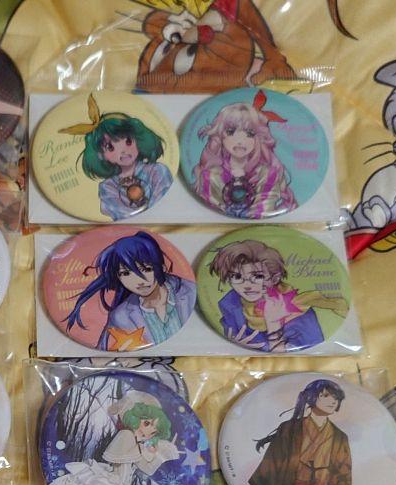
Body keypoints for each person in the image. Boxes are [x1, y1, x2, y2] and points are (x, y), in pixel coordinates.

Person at [47, 390, 183, 485]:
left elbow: (145, 468)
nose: (149, 431)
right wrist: (144, 450)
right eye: (146, 423)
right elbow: (117, 456)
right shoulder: (126, 435)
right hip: (112, 483)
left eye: (154, 431)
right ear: (133, 417)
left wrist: (157, 454)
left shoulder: (136, 442)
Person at [248, 377, 355, 485]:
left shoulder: (340, 437)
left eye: (336, 398)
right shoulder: (289, 429)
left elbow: (341, 471)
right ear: (311, 397)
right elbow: (271, 468)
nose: (333, 401)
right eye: (326, 396)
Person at [65, 231, 195, 350]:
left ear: (162, 268)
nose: (138, 280)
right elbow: (104, 351)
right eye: (126, 273)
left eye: (146, 269)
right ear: (119, 277)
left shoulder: (190, 292)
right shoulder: (121, 316)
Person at [208, 239, 339, 351]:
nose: (247, 285)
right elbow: (226, 337)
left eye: (258, 276)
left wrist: (273, 324)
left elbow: (300, 356)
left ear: (275, 278)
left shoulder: (299, 311)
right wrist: (233, 346)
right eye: (237, 277)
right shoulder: (231, 303)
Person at [191, 90, 296, 217]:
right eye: (231, 131)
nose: (240, 140)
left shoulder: (267, 174)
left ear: (258, 139)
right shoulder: (211, 175)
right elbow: (212, 212)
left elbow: (262, 211)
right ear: (221, 136)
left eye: (249, 134)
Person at [74, 99, 173, 220]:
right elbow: (122, 215)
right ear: (101, 155)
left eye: (128, 141)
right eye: (110, 147)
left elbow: (164, 206)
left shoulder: (157, 171)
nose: (123, 151)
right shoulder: (108, 187)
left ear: (138, 140)